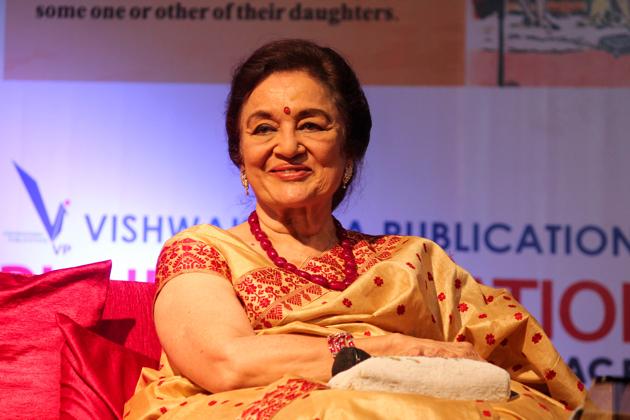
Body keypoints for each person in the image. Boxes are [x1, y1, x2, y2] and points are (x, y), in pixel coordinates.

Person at [125, 39, 585, 418]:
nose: (288, 147)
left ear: (349, 151)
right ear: (240, 156)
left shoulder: (413, 260)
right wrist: (389, 351)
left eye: (311, 124)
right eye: (263, 129)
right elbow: (224, 362)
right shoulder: (204, 251)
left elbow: (510, 358)